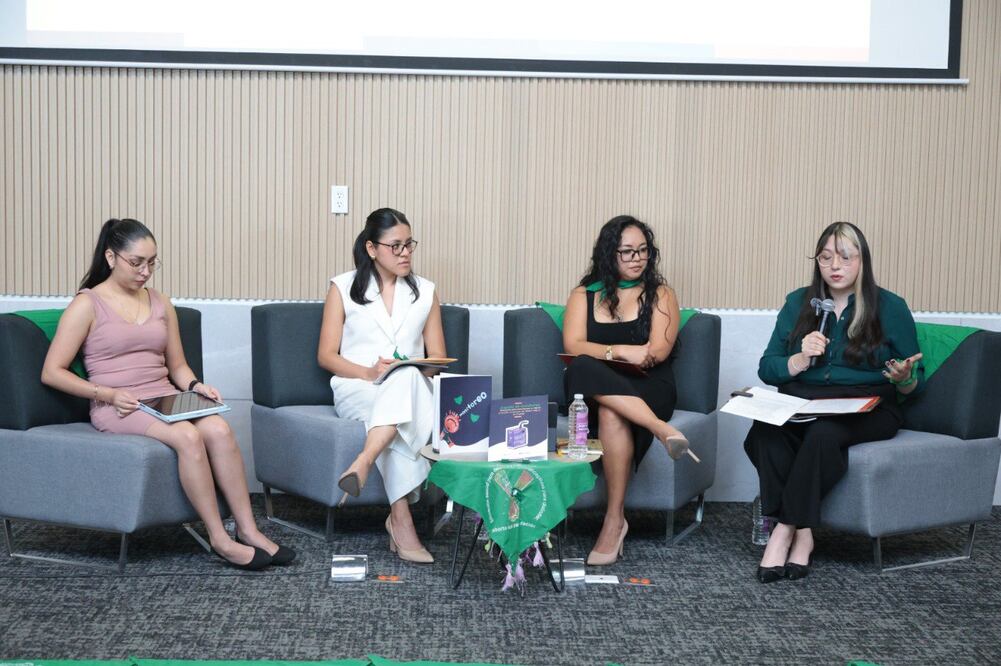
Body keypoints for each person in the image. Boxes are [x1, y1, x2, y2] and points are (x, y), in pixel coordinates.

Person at [41, 218, 294, 570]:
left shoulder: (160, 302)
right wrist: (108, 393)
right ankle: (219, 539)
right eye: (137, 262)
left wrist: (195, 386)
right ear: (112, 257)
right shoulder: (88, 304)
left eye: (152, 262)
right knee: (188, 437)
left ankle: (249, 530)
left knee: (219, 429)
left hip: (163, 396)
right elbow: (52, 371)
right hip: (119, 404)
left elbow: (177, 366)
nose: (146, 271)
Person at [744, 221, 923, 583]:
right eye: (826, 258)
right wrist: (797, 360)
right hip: (805, 401)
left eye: (845, 257)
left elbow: (914, 381)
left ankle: (783, 530)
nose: (835, 266)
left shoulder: (889, 306)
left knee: (823, 436)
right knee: (764, 432)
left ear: (862, 261)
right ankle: (805, 532)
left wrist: (903, 378)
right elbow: (768, 367)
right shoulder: (798, 302)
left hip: (868, 405)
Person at [562, 215, 694, 567]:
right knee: (582, 367)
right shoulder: (583, 295)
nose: (637, 258)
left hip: (650, 386)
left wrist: (627, 355)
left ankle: (613, 519)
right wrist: (617, 351)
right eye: (627, 252)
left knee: (610, 409)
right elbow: (573, 345)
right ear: (609, 254)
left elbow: (658, 353)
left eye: (643, 251)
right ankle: (660, 429)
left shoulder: (662, 294)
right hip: (597, 384)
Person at [317, 208, 446, 564]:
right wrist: (370, 372)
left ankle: (365, 460)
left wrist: (411, 367)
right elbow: (327, 355)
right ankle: (400, 520)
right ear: (372, 248)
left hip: (413, 386)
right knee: (395, 414)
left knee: (402, 381)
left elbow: (438, 358)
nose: (405, 253)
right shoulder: (342, 287)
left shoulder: (426, 292)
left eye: (409, 245)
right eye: (396, 246)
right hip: (358, 386)